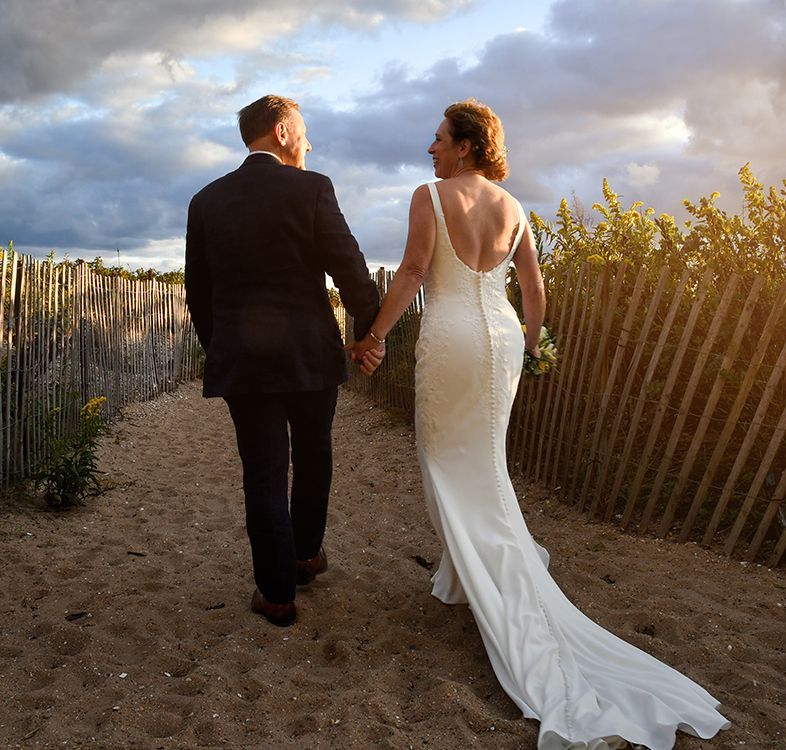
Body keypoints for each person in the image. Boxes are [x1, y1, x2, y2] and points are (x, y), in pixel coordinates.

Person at [347, 99, 727, 747]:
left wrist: (374, 334)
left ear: (465, 145)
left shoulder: (432, 196)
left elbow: (413, 271)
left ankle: (497, 577)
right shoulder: (514, 206)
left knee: (444, 460)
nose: (429, 149)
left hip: (454, 337)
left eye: (439, 139)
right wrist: (532, 342)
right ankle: (465, 572)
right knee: (484, 462)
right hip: (499, 339)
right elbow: (534, 284)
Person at [185, 95, 381, 627]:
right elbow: (351, 269)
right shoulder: (313, 188)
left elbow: (197, 293)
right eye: (305, 133)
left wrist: (221, 347)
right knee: (315, 455)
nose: (310, 144)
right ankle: (303, 557)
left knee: (263, 472)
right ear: (283, 131)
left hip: (244, 364)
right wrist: (369, 336)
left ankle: (275, 595)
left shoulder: (206, 200)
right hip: (309, 355)